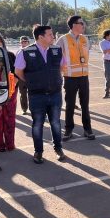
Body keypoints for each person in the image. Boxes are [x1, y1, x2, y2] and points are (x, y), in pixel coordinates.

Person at [15, 25, 66, 163]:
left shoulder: (57, 50)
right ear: (40, 37)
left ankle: (58, 148)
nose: (53, 37)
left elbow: (62, 67)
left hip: (55, 94)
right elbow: (18, 72)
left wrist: (52, 79)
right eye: (50, 34)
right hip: (36, 96)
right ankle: (38, 152)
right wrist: (32, 82)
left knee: (56, 123)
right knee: (37, 124)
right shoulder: (25, 52)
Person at [56, 15, 94, 140]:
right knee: (70, 105)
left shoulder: (85, 39)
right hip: (70, 77)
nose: (83, 25)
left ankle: (87, 129)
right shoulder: (63, 40)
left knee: (85, 105)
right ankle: (68, 129)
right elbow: (56, 57)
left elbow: (87, 53)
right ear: (73, 25)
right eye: (81, 23)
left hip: (84, 77)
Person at [16, 35, 31, 115]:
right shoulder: (18, 52)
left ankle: (34, 109)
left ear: (28, 42)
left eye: (25, 41)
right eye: (22, 42)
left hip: (31, 75)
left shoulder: (32, 51)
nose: (24, 43)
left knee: (33, 93)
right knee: (23, 93)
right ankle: (24, 109)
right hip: (21, 76)